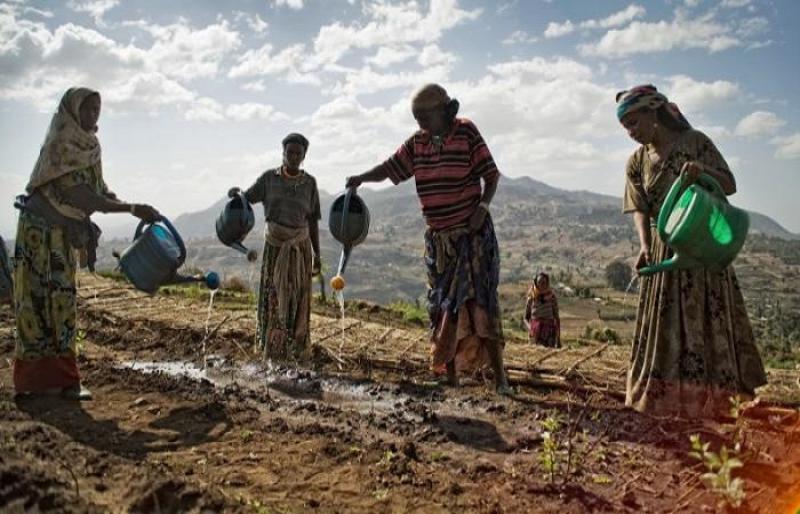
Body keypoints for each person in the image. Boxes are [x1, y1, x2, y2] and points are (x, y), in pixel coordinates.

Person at [346, 84, 510, 394]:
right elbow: (390, 168)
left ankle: (500, 379)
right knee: (443, 309)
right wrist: (361, 179)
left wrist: (482, 207)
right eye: (416, 117)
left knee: (481, 307)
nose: (420, 123)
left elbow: (492, 175)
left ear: (445, 111)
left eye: (425, 116)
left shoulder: (466, 133)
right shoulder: (418, 143)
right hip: (440, 243)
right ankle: (450, 378)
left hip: (471, 239)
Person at [616, 84, 766, 417]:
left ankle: (719, 399)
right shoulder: (636, 162)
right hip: (663, 249)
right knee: (665, 325)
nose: (630, 132)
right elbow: (640, 208)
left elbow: (729, 184)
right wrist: (644, 246)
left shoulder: (696, 143)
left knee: (706, 318)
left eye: (634, 122)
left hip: (701, 244)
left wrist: (703, 172)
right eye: (625, 127)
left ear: (653, 113)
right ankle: (665, 399)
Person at [13, 87, 161, 400]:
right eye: (88, 109)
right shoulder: (61, 145)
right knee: (38, 302)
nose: (93, 115)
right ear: (72, 111)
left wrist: (128, 204)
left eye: (97, 109)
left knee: (63, 302)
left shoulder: (90, 147)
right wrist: (131, 208)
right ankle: (38, 382)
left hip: (62, 233)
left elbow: (100, 191)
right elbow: (80, 196)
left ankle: (65, 380)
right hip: (40, 233)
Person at [229, 133, 322, 362]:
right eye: (289, 152)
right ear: (283, 153)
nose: (293, 157)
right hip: (275, 247)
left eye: (298, 154)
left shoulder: (310, 183)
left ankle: (297, 349)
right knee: (274, 296)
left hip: (300, 249)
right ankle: (274, 349)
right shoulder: (268, 179)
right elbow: (246, 199)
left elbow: (312, 221)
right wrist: (235, 193)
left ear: (304, 157)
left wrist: (317, 254)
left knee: (297, 297)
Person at [525, 272, 561, 348]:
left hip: (549, 333)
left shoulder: (552, 297)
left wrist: (558, 339)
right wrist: (531, 328)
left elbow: (556, 318)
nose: (542, 285)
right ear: (536, 283)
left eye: (544, 283)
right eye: (539, 283)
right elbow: (526, 318)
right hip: (535, 333)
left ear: (547, 283)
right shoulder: (532, 297)